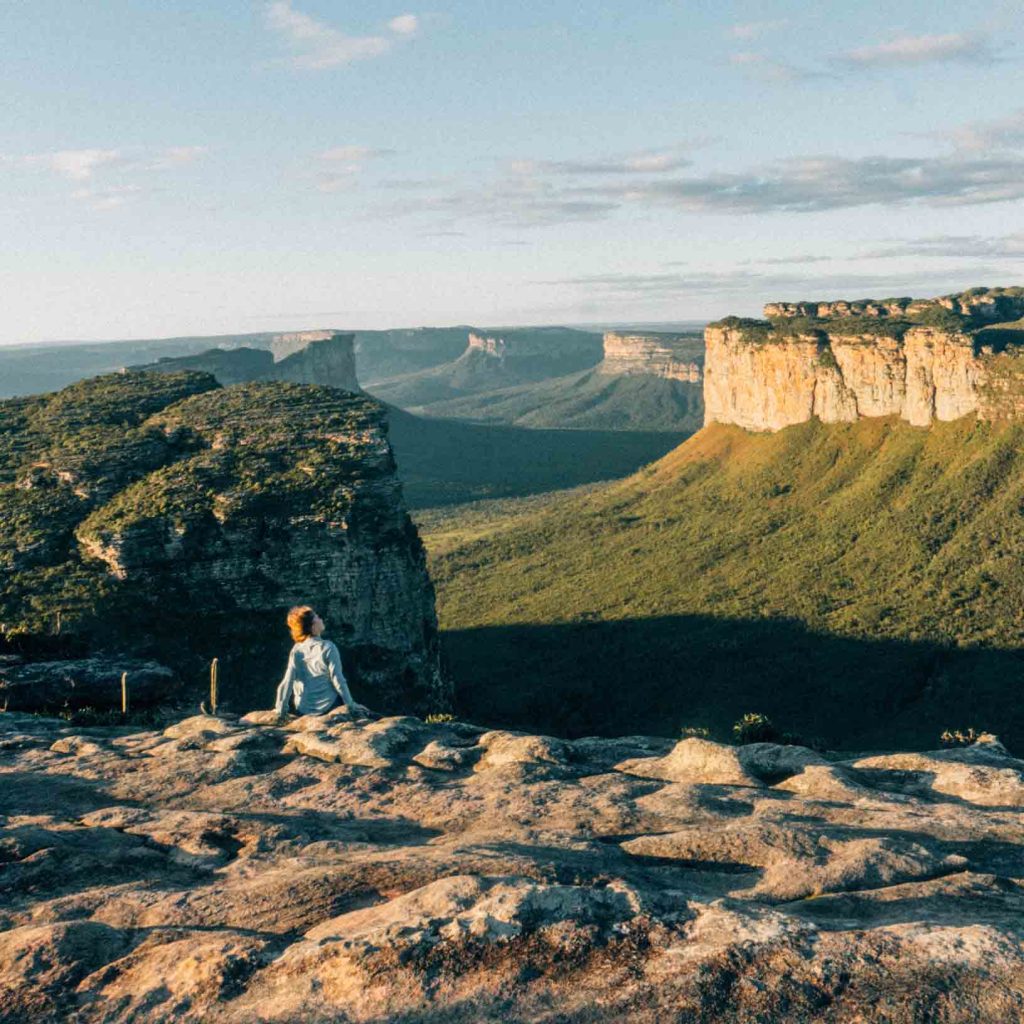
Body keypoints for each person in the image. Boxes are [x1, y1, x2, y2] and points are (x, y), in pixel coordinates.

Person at [274, 606, 367, 720]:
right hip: (327, 707)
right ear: (312, 626)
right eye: (317, 617)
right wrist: (351, 705)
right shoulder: (328, 647)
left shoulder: (296, 650)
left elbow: (287, 682)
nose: (321, 619)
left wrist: (281, 710)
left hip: (303, 709)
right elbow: (338, 680)